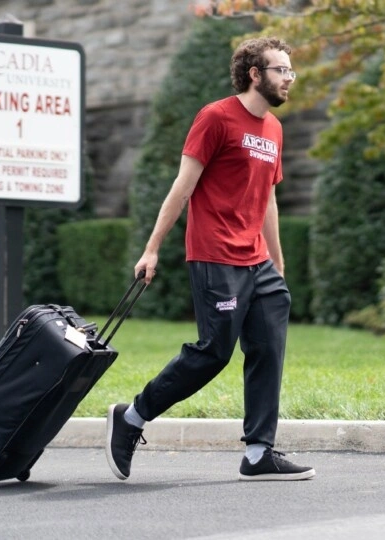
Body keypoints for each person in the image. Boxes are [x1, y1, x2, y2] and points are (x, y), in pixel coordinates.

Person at [105, 37, 316, 482]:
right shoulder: (216, 117)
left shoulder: (274, 129)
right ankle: (131, 418)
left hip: (258, 262)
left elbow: (269, 199)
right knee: (213, 352)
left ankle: (259, 452)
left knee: (267, 349)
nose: (289, 78)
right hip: (215, 255)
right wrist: (152, 248)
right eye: (281, 70)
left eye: (290, 70)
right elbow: (182, 188)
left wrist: (276, 261)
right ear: (255, 74)